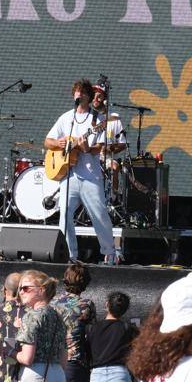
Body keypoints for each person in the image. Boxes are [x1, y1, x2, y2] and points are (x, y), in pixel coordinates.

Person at [44, 79, 116, 264]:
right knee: (64, 214)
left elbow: (99, 147)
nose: (78, 94)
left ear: (88, 96)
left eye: (82, 92)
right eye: (76, 91)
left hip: (90, 176)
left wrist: (85, 148)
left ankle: (110, 254)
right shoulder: (66, 118)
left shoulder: (98, 120)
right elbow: (48, 141)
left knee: (99, 214)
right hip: (69, 176)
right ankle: (70, 255)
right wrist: (59, 143)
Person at [11, 270, 67, 382]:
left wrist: (10, 352)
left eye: (26, 288)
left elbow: (27, 358)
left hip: (34, 376)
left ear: (41, 290)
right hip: (57, 376)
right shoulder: (58, 317)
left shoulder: (32, 316)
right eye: (20, 288)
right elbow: (64, 358)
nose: (21, 292)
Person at [51, 262, 95, 382]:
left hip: (52, 360)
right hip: (74, 362)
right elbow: (90, 333)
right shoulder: (86, 304)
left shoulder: (52, 301)